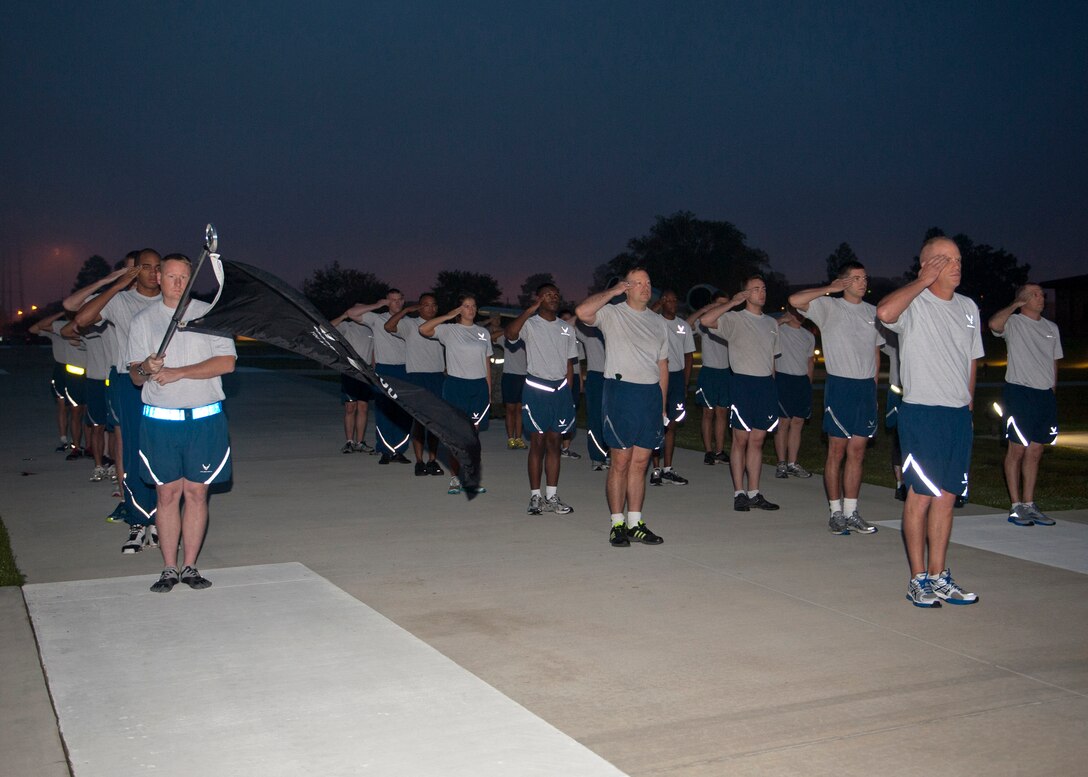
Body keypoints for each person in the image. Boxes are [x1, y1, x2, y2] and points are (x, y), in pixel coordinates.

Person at [877, 236, 983, 607]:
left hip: (957, 415)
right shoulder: (914, 302)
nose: (956, 266)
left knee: (947, 497)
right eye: (946, 260)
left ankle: (939, 576)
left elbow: (972, 358)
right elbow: (885, 313)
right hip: (922, 412)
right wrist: (922, 281)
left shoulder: (968, 307)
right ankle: (918, 579)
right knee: (921, 495)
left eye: (958, 259)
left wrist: (968, 404)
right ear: (927, 265)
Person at [128, 254, 236, 592]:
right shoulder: (143, 321)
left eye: (184, 277)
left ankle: (190, 566)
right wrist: (145, 367)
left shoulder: (209, 314)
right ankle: (168, 568)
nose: (177, 283)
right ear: (159, 278)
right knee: (167, 494)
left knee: (197, 493)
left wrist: (179, 373)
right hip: (161, 422)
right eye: (171, 276)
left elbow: (227, 362)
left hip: (204, 419)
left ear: (192, 279)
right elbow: (134, 376)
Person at [67, 250, 163, 549]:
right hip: (128, 382)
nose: (152, 273)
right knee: (131, 452)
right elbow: (80, 317)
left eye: (157, 267)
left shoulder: (170, 301)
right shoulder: (120, 300)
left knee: (160, 451)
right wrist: (117, 284)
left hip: (164, 381)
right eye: (145, 267)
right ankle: (137, 519)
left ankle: (159, 520)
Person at [790, 262, 885, 535]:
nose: (862, 282)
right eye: (856, 278)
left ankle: (852, 511)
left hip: (865, 389)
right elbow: (795, 300)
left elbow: (875, 353)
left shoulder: (873, 312)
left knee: (858, 452)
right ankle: (835, 512)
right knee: (836, 451)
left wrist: (873, 390)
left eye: (864, 278)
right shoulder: (828, 307)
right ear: (843, 281)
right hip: (840, 386)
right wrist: (829, 289)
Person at [576, 269, 668, 547]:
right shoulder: (612, 313)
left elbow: (662, 365)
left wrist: (662, 406)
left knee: (641, 463)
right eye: (638, 283)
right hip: (620, 392)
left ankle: (635, 523)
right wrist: (613, 291)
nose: (645, 287)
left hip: (650, 395)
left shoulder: (658, 322)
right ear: (627, 287)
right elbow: (582, 312)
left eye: (648, 282)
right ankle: (617, 524)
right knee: (620, 462)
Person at [700, 275, 781, 512]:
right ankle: (739, 493)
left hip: (765, 385)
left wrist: (772, 387)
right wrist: (732, 303)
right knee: (741, 439)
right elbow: (706, 320)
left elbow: (771, 360)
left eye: (763, 288)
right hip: (742, 383)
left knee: (757, 440)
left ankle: (754, 492)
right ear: (745, 293)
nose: (761, 292)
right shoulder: (734, 319)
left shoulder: (772, 323)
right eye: (755, 289)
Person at [989, 284, 1063, 527]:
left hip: (1044, 396)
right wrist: (1015, 304)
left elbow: (1054, 362)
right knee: (1017, 449)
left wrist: (1052, 391)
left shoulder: (1051, 328)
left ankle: (1030, 504)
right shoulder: (1014, 322)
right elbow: (994, 325)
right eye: (1035, 294)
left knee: (1036, 450)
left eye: (1042, 294)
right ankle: (1016, 505)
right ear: (1023, 298)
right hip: (1019, 393)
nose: (1041, 297)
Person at [507, 285, 578, 515]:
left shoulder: (566, 328)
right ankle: (535, 497)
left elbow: (569, 363)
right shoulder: (530, 324)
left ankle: (552, 496)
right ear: (538, 298)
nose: (554, 297)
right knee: (537, 442)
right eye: (548, 294)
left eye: (556, 294)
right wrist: (529, 310)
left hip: (560, 390)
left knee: (555, 443)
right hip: (537, 388)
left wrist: (568, 392)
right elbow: (510, 334)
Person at [420, 295, 492, 495]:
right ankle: (454, 478)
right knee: (456, 435)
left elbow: (486, 363)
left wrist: (488, 391)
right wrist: (448, 315)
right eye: (466, 306)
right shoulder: (448, 330)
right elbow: (423, 329)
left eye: (473, 306)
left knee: (472, 436)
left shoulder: (483, 333)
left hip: (478, 387)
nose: (471, 309)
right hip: (456, 386)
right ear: (459, 309)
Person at [345, 291, 412, 464]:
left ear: (403, 301)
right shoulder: (377, 319)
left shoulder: (409, 322)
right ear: (387, 302)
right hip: (384, 369)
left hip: (406, 370)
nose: (396, 303)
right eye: (392, 300)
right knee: (384, 411)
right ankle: (385, 450)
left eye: (399, 300)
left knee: (403, 412)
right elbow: (351, 313)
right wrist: (377, 304)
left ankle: (399, 450)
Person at [384, 293, 447, 475]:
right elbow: (388, 326)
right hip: (417, 377)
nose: (431, 308)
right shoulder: (410, 324)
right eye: (426, 304)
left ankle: (432, 461)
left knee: (435, 422)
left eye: (434, 304)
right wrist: (405, 311)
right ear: (419, 307)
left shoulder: (441, 326)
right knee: (419, 421)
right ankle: (419, 462)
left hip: (437, 377)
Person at [650, 290, 693, 486]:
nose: (673, 303)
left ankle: (667, 468)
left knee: (673, 423)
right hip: (657, 376)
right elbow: (644, 316)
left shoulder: (683, 326)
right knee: (657, 422)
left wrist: (685, 383)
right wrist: (657, 305)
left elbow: (688, 355)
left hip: (676, 377)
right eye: (668, 300)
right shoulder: (655, 322)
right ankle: (655, 469)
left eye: (675, 300)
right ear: (662, 302)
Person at [29, 311, 83, 455]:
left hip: (78, 369)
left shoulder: (81, 327)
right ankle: (64, 440)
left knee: (78, 409)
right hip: (61, 369)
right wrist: (60, 313)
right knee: (62, 406)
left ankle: (78, 443)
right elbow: (34, 329)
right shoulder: (58, 328)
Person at [688, 294, 732, 466]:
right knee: (708, 413)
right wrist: (704, 309)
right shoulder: (704, 323)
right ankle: (708, 451)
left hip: (726, 372)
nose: (721, 307)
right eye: (718, 304)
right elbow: (687, 325)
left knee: (722, 413)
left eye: (725, 304)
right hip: (709, 372)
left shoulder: (730, 323)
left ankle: (720, 451)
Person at [772, 307, 815, 481]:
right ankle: (781, 463)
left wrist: (808, 384)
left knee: (798, 422)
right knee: (783, 422)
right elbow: (762, 330)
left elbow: (810, 362)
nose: (800, 315)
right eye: (796, 312)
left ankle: (792, 463)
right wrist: (782, 319)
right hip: (783, 379)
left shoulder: (808, 335)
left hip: (801, 381)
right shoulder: (778, 330)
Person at [329, 309, 376, 455]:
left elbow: (373, 351)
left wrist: (373, 369)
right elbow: (327, 328)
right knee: (350, 407)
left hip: (366, 373)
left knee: (363, 407)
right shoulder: (347, 326)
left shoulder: (371, 328)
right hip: (350, 372)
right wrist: (343, 315)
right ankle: (349, 442)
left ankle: (360, 442)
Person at [575, 316, 609, 470]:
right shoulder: (588, 334)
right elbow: (568, 325)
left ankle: (611, 454)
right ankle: (597, 457)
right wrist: (582, 313)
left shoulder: (614, 332)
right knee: (595, 417)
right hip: (596, 376)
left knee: (612, 418)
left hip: (615, 377)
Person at [880, 328, 907, 501]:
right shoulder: (893, 343)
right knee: (898, 440)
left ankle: (914, 481)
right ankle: (900, 484)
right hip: (897, 393)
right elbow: (880, 333)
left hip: (918, 394)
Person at [495, 322, 528, 450]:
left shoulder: (527, 337)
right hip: (510, 376)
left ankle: (518, 438)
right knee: (510, 409)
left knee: (520, 409)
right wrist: (506, 331)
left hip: (525, 376)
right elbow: (491, 337)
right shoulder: (505, 338)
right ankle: (510, 439)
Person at [558, 310, 583, 461]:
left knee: (570, 413)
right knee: (558, 412)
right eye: (565, 319)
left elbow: (577, 363)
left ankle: (566, 448)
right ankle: (553, 446)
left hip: (574, 377)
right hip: (561, 377)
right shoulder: (557, 336)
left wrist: (580, 382)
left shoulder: (576, 338)